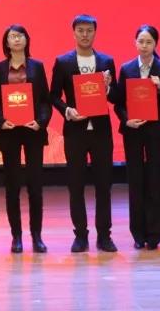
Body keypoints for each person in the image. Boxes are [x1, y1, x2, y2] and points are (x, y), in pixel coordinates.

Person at [49, 14, 118, 253]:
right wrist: (67, 110)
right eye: (81, 30)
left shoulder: (106, 61)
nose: (85, 34)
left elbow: (115, 96)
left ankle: (104, 236)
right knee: (76, 184)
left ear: (95, 32)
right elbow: (53, 95)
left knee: (104, 185)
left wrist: (107, 87)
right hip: (75, 131)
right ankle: (80, 235)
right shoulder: (63, 62)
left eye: (89, 30)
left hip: (101, 132)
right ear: (74, 32)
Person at [0, 24, 51, 253]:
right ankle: (16, 236)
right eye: (12, 36)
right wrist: (0, 120)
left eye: (20, 35)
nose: (16, 39)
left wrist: (41, 122)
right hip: (9, 131)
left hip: (33, 131)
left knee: (35, 185)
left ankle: (37, 236)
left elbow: (44, 100)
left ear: (26, 39)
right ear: (6, 42)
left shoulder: (37, 66)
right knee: (12, 185)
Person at [113, 24, 160, 250]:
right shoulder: (126, 68)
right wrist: (126, 119)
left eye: (149, 42)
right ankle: (138, 234)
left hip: (155, 130)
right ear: (135, 43)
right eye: (141, 41)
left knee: (155, 180)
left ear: (155, 44)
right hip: (133, 130)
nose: (145, 46)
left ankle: (154, 234)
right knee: (136, 181)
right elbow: (118, 102)